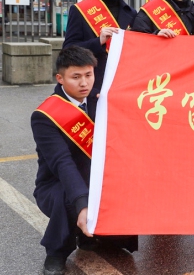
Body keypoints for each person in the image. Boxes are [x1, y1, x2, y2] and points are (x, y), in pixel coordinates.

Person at [32, 46, 137, 275]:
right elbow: (62, 163)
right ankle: (56, 252)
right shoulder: (44, 116)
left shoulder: (101, 100)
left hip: (96, 177)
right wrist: (83, 203)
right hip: (56, 183)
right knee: (67, 197)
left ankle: (98, 235)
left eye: (89, 75)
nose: (84, 83)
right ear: (60, 78)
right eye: (76, 77)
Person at [63, 0, 137, 89]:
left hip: (123, 83)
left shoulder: (131, 13)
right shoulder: (80, 10)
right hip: (93, 85)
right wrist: (99, 41)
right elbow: (68, 51)